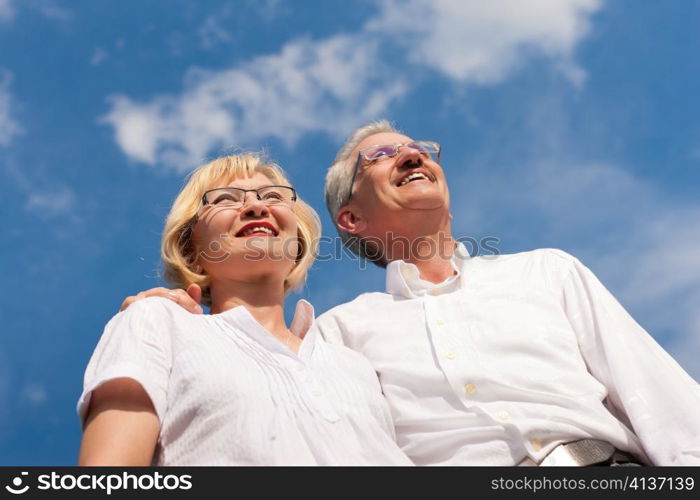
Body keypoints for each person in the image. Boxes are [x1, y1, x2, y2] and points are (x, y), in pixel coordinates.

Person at [122, 122, 700, 466]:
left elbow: (670, 409)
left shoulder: (548, 272)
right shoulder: (336, 335)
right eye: (381, 155)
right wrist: (182, 315)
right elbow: (273, 392)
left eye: (421, 147)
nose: (413, 154)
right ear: (350, 218)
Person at [77, 153, 411, 466]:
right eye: (225, 199)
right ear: (191, 244)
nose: (255, 207)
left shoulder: (354, 364)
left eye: (272, 197)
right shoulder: (157, 321)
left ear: (298, 240)